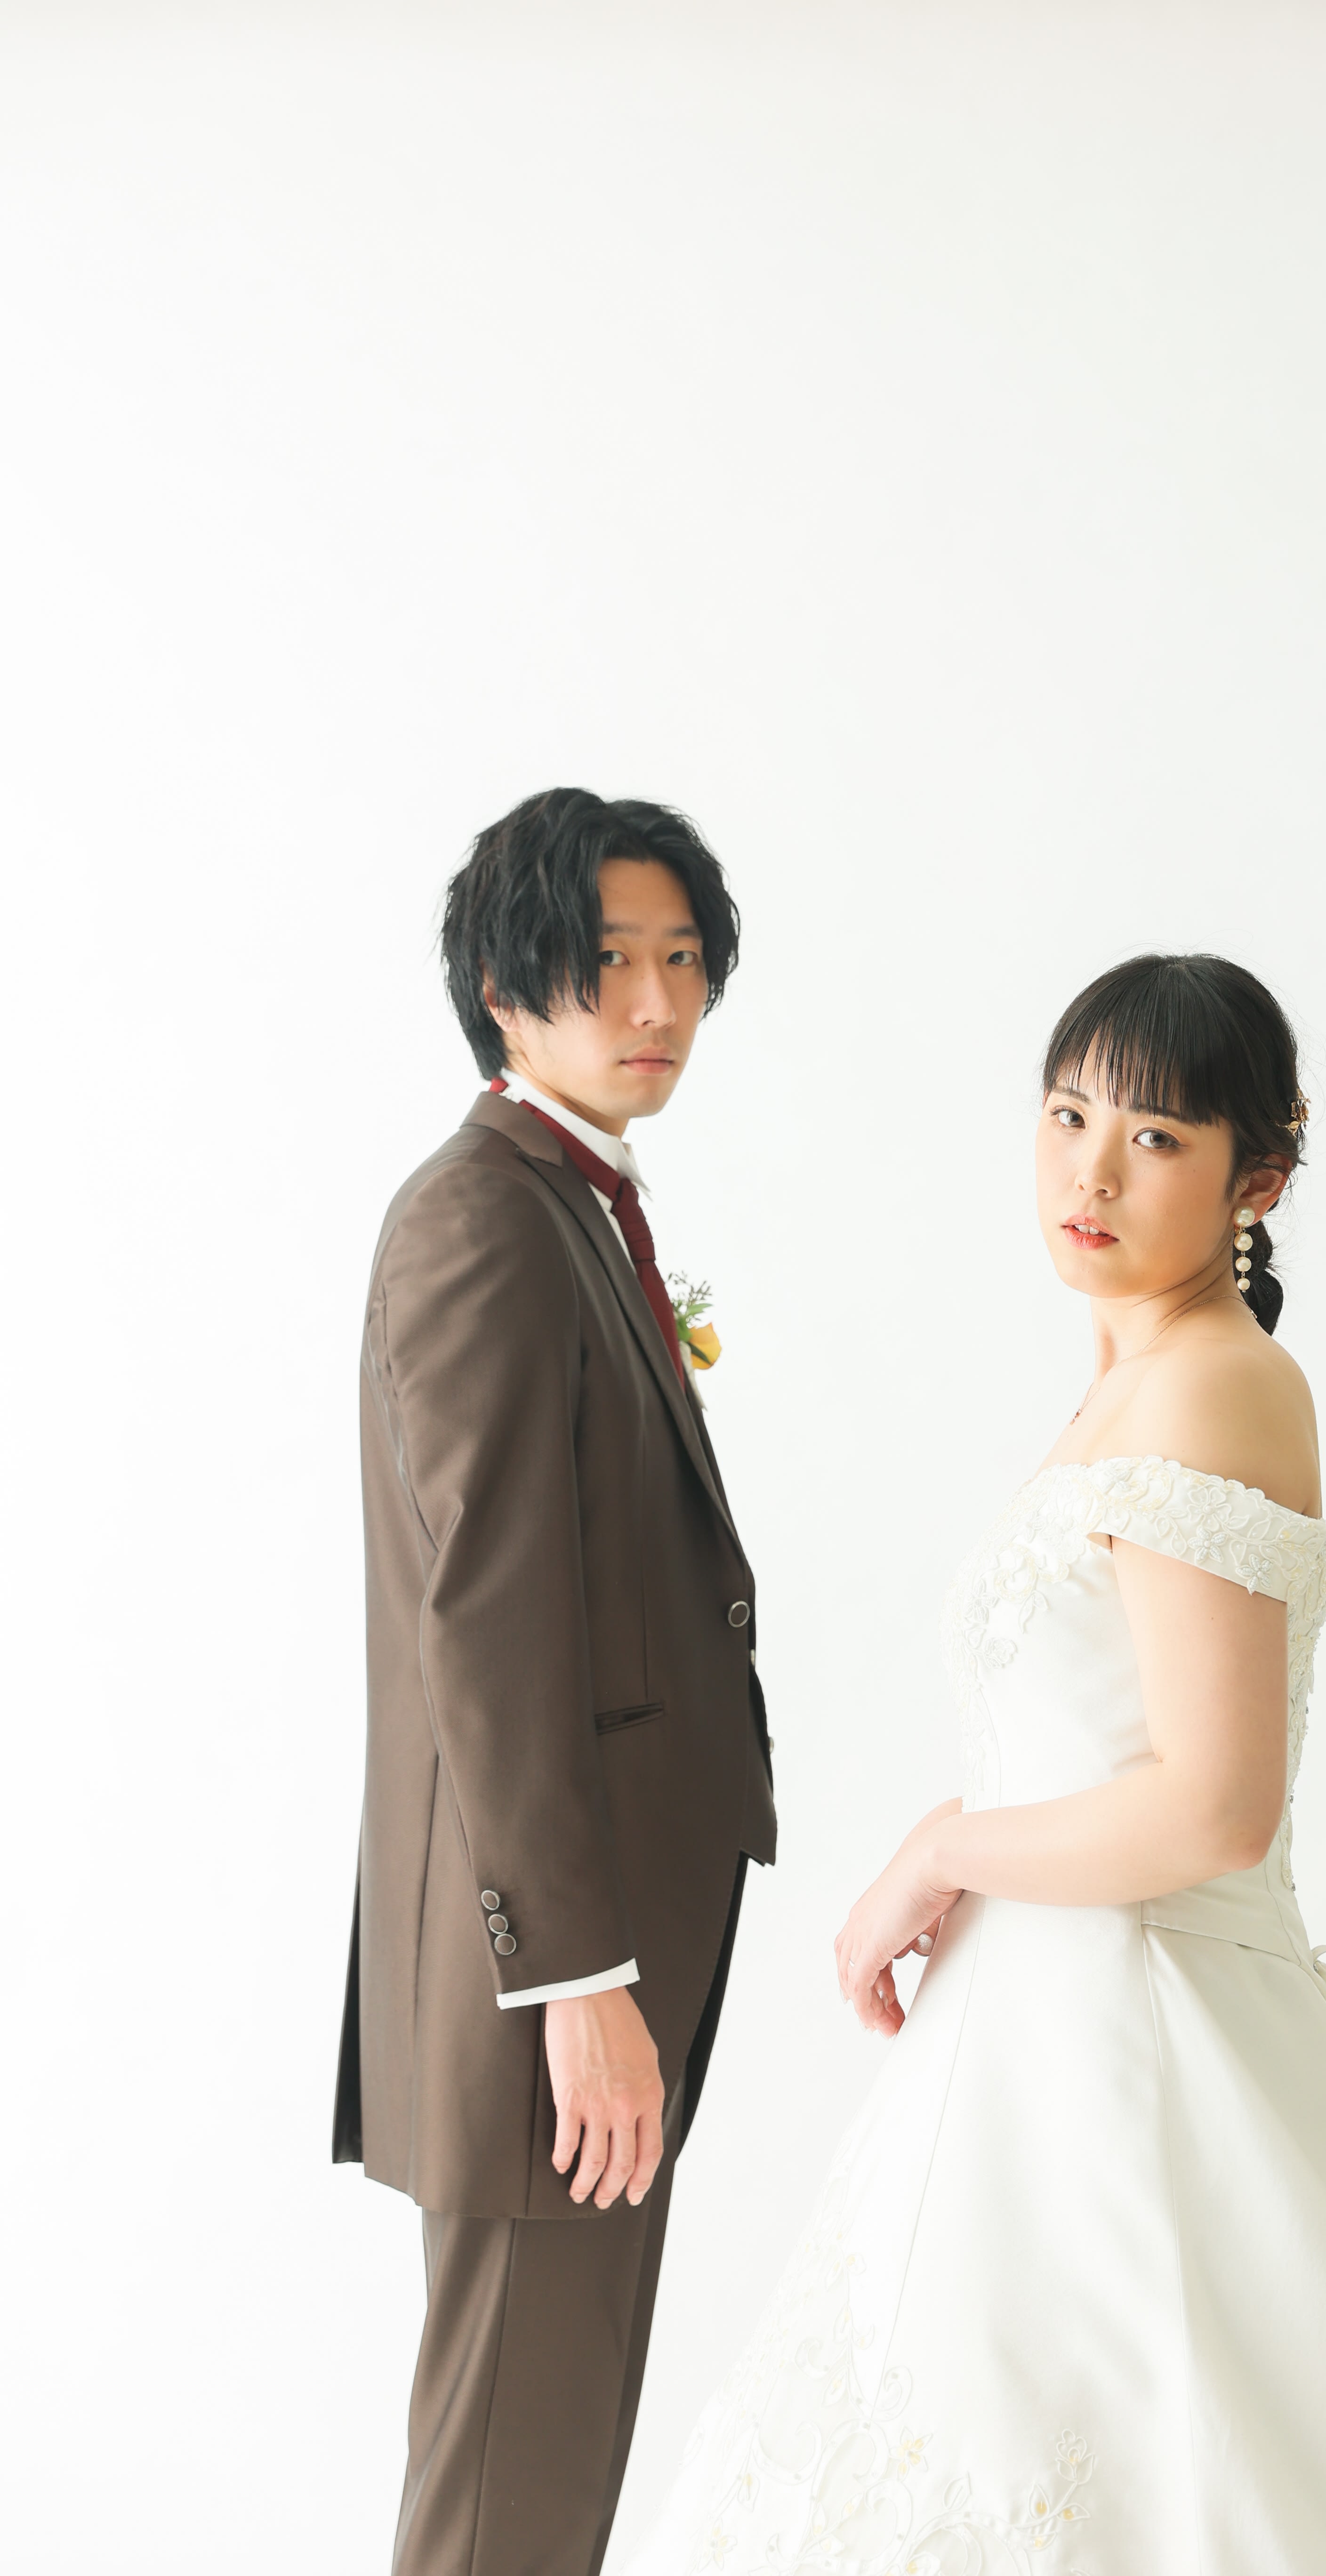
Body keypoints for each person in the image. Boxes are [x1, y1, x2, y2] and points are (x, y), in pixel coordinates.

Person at [622, 953, 1326, 2575]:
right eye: (1068, 1115)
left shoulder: (1217, 1384)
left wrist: (943, 1848)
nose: (1092, 1171)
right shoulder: (1134, 1388)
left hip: (1137, 2044)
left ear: (1262, 1178)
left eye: (1157, 1136)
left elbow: (1215, 1805)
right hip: (1037, 2038)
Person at [333, 788, 777, 2576]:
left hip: (602, 1945)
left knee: (548, 2459)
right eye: (607, 963)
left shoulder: (578, 1207)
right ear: (505, 990)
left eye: (681, 960)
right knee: (509, 2489)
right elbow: (491, 1622)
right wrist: (579, 1982)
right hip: (549, 1967)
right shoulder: (485, 1219)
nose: (657, 1003)